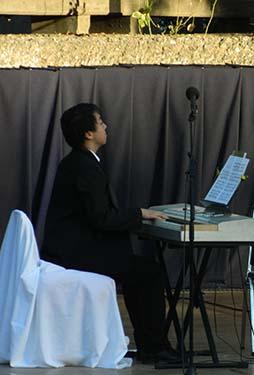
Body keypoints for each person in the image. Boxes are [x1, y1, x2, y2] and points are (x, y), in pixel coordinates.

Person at [41, 103, 176, 364]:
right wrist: (139, 214)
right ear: (88, 134)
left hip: (77, 248)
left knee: (140, 271)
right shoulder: (85, 168)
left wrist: (137, 216)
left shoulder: (78, 163)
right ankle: (154, 346)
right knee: (149, 273)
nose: (106, 126)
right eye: (100, 122)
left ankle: (152, 344)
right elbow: (101, 218)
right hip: (77, 255)